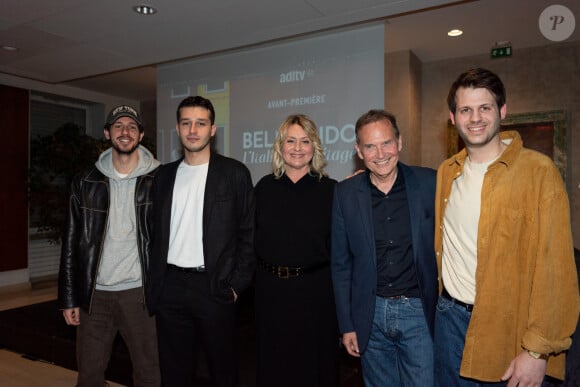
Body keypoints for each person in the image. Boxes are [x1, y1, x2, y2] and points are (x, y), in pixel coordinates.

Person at [434, 67, 579, 386]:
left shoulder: (539, 173)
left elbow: (555, 269)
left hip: (506, 327)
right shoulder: (447, 171)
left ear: (502, 111)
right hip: (448, 321)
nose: (475, 118)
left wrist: (538, 351)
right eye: (465, 109)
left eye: (484, 107)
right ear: (453, 117)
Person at [146, 95, 255, 387]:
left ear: (213, 129)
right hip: (169, 287)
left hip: (214, 287)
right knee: (174, 372)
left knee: (223, 371)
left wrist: (236, 285)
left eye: (200, 123)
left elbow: (248, 233)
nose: (193, 129)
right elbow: (153, 233)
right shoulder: (163, 176)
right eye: (186, 123)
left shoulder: (234, 174)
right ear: (178, 129)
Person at [331, 109, 438, 387]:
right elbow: (341, 265)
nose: (380, 153)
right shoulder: (345, 194)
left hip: (419, 313)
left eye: (386, 142)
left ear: (399, 142)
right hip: (371, 315)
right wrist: (347, 325)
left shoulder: (430, 183)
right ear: (358, 150)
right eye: (370, 146)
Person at [58, 105, 161, 387]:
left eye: (131, 126)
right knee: (89, 376)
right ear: (107, 133)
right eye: (118, 126)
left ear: (141, 134)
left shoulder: (159, 179)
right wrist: (69, 298)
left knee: (149, 374)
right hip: (95, 296)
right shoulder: (85, 181)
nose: (124, 132)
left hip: (139, 295)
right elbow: (71, 241)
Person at [254, 114, 339, 386]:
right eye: (291, 141)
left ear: (315, 147)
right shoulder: (263, 188)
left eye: (305, 141)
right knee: (274, 365)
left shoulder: (332, 190)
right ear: (280, 146)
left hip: (315, 293)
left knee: (314, 368)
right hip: (270, 292)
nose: (298, 148)